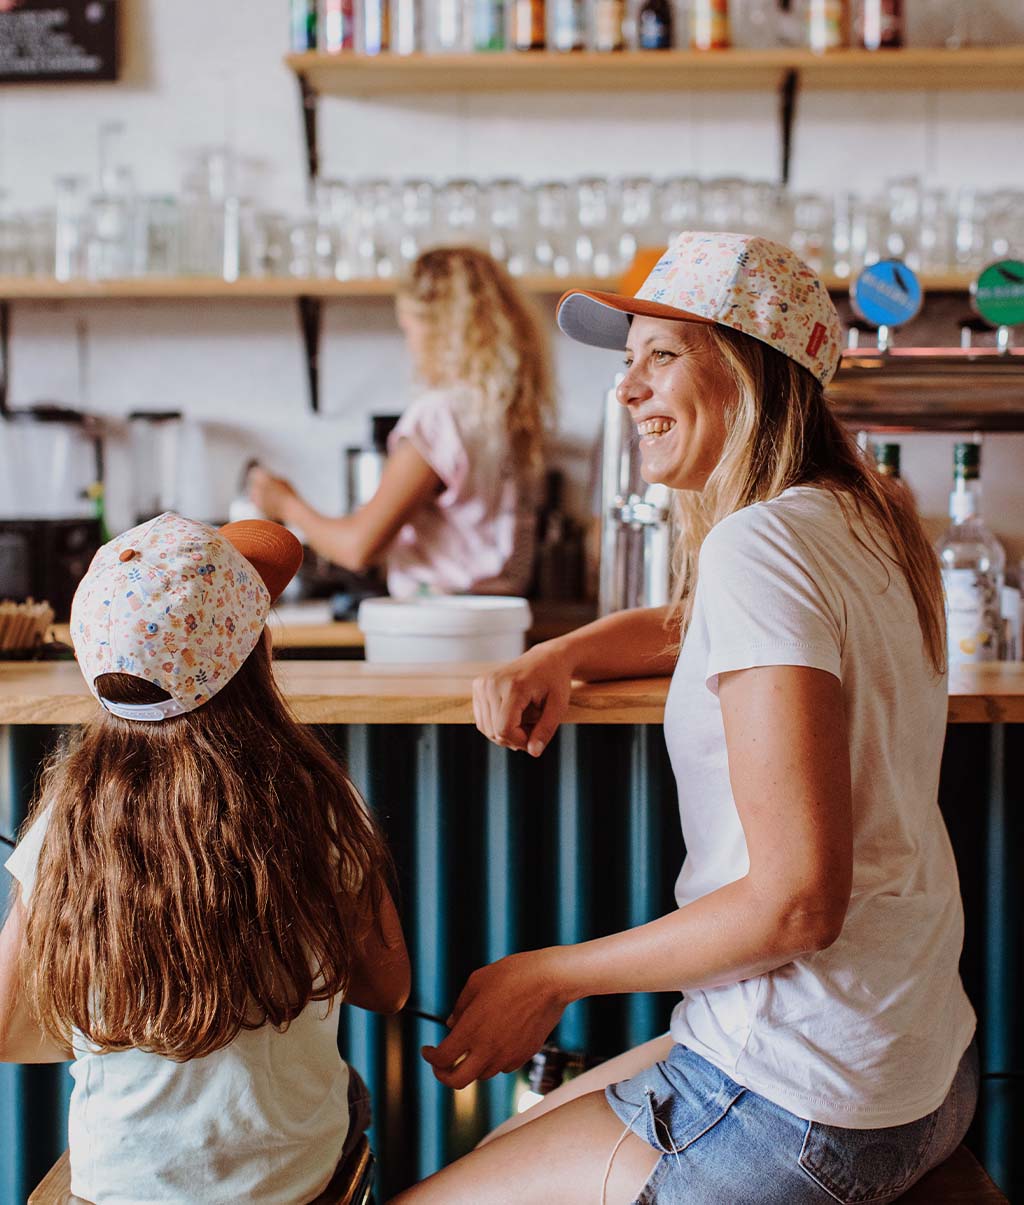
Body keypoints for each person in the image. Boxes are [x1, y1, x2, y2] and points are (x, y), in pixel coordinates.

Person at [391, 232, 977, 1204]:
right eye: (627, 363)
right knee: (534, 1124)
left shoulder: (757, 545)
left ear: (749, 369)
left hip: (795, 1099)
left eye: (661, 354)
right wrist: (568, 651)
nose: (626, 391)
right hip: (917, 1066)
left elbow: (795, 903)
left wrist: (548, 976)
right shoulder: (872, 516)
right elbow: (706, 629)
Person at [0, 512, 410, 1204]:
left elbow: (8, 1020)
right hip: (295, 1189)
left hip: (118, 1189)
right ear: (254, 655)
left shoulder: (69, 818)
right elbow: (388, 988)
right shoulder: (316, 800)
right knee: (350, 1098)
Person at [249, 246, 555, 599]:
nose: (410, 347)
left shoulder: (439, 417)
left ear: (438, 330)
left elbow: (358, 548)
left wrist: (286, 504)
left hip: (435, 622)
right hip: (501, 615)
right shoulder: (507, 413)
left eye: (409, 330)